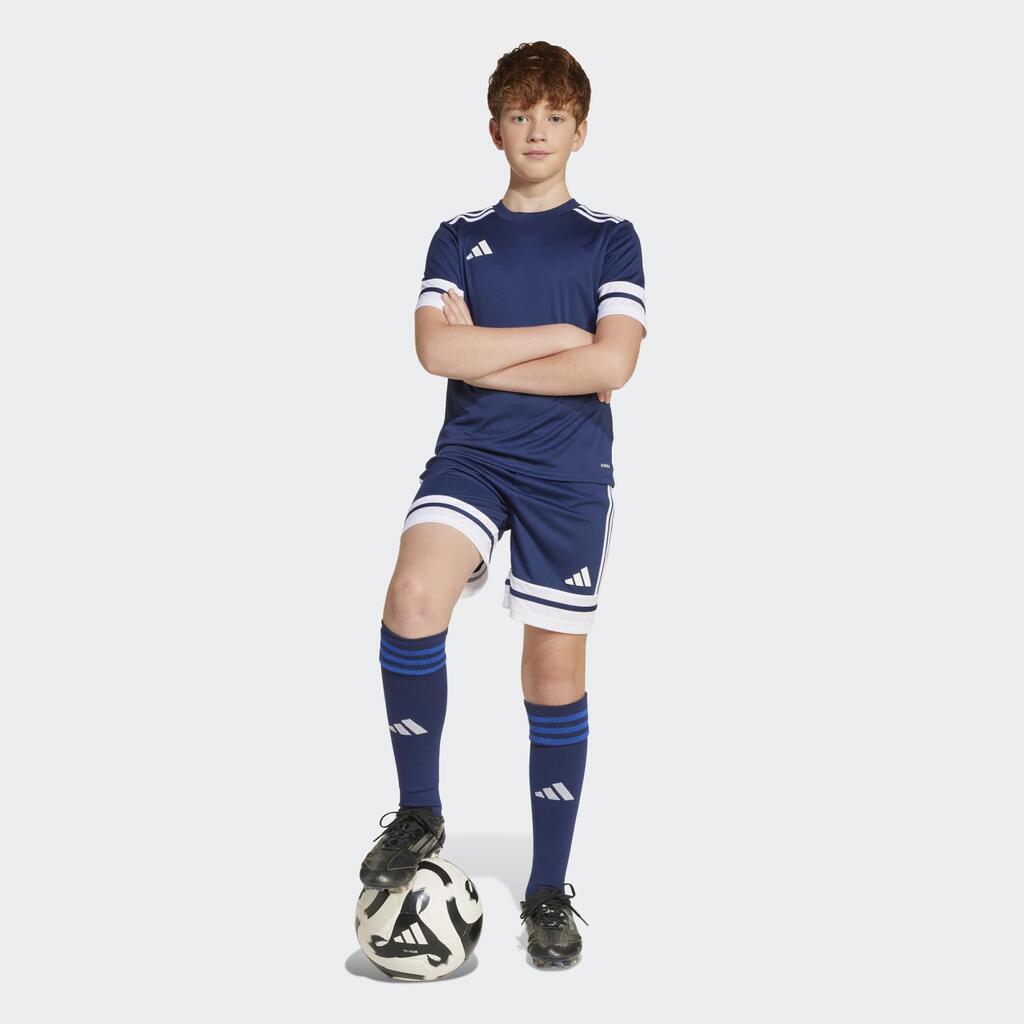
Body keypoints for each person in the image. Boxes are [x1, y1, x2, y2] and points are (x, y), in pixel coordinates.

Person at [360, 40, 646, 970]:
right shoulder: (457, 236)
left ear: (580, 130)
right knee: (412, 598)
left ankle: (547, 889)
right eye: (520, 114)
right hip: (474, 457)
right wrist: (561, 337)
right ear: (495, 128)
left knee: (552, 677)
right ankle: (419, 811)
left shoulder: (609, 238)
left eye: (554, 116)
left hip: (568, 472)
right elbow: (435, 353)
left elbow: (614, 364)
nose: (536, 131)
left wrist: (492, 351)